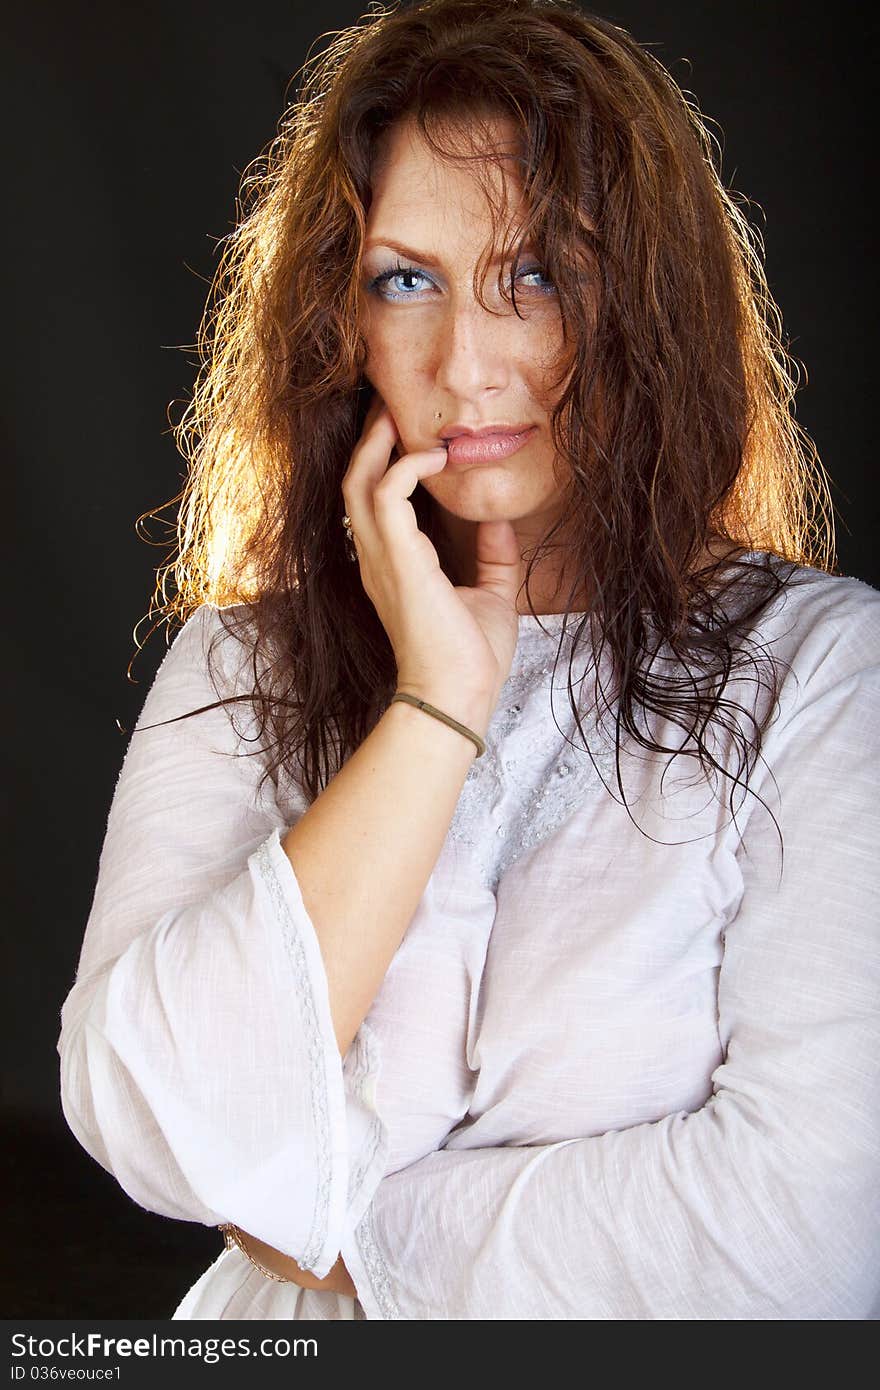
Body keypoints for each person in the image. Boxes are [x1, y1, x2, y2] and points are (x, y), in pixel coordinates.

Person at [57, 0, 880, 1321]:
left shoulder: (819, 673)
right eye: (406, 280)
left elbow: (807, 1231)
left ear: (649, 304)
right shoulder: (237, 663)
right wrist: (436, 709)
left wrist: (335, 1230)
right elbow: (153, 1118)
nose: (466, 361)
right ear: (341, 318)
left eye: (536, 275)